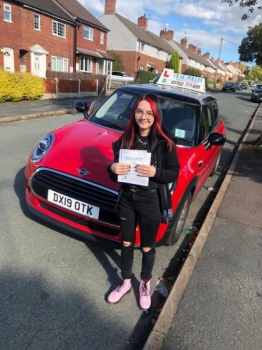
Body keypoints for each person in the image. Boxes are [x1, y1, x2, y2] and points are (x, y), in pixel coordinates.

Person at [107, 93, 180, 310]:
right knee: (126, 243)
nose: (143, 116)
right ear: (134, 113)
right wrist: (112, 168)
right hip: (127, 199)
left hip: (151, 201)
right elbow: (115, 172)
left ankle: (145, 283)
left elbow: (173, 173)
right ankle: (126, 281)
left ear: (156, 115)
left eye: (149, 112)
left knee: (147, 247)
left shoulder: (165, 144)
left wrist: (155, 171)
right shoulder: (124, 140)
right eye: (139, 111)